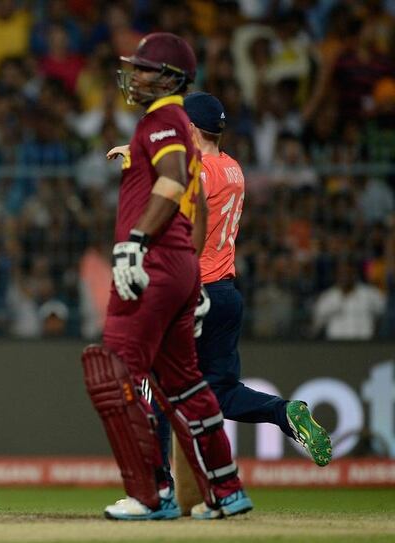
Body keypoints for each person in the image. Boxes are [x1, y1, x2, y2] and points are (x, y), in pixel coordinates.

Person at [81, 32, 251, 521]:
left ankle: (152, 494)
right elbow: (194, 208)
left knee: (117, 375)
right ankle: (226, 490)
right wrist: (191, 273)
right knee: (186, 385)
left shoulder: (161, 120)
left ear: (170, 77)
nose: (134, 77)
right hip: (179, 263)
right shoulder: (179, 127)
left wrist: (135, 242)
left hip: (153, 260)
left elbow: (174, 180)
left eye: (144, 69)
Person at [180, 91, 332, 465]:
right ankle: (282, 412)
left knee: (159, 384)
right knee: (222, 392)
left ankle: (157, 487)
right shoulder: (233, 168)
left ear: (192, 128)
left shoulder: (194, 171)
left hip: (195, 293)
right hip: (227, 293)